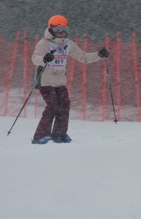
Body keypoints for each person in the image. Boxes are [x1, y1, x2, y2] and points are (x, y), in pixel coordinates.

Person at [31, 15, 109, 144]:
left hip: (60, 81)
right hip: (45, 81)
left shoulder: (68, 44)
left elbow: (83, 57)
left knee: (64, 105)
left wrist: (98, 55)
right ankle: (40, 136)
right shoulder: (44, 43)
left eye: (65, 29)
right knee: (53, 105)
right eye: (58, 30)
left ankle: (59, 134)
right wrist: (44, 59)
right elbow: (35, 58)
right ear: (51, 30)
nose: (62, 33)